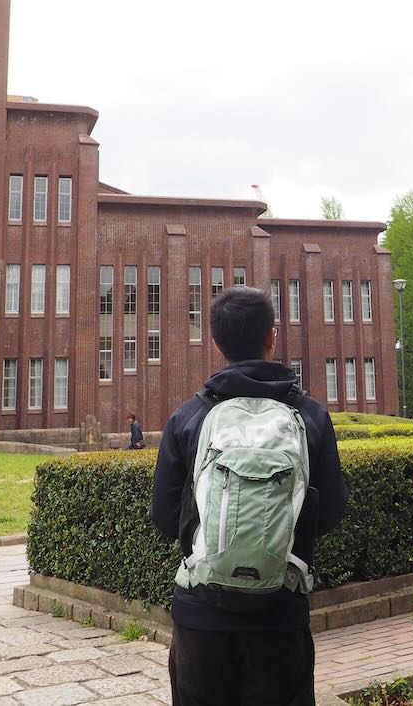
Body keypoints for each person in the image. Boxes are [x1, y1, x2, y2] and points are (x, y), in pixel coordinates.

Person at [151, 287, 348, 706]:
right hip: (280, 613)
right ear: (272, 337)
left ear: (217, 342)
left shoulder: (190, 417)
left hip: (200, 614)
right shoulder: (310, 415)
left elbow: (166, 517)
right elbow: (331, 511)